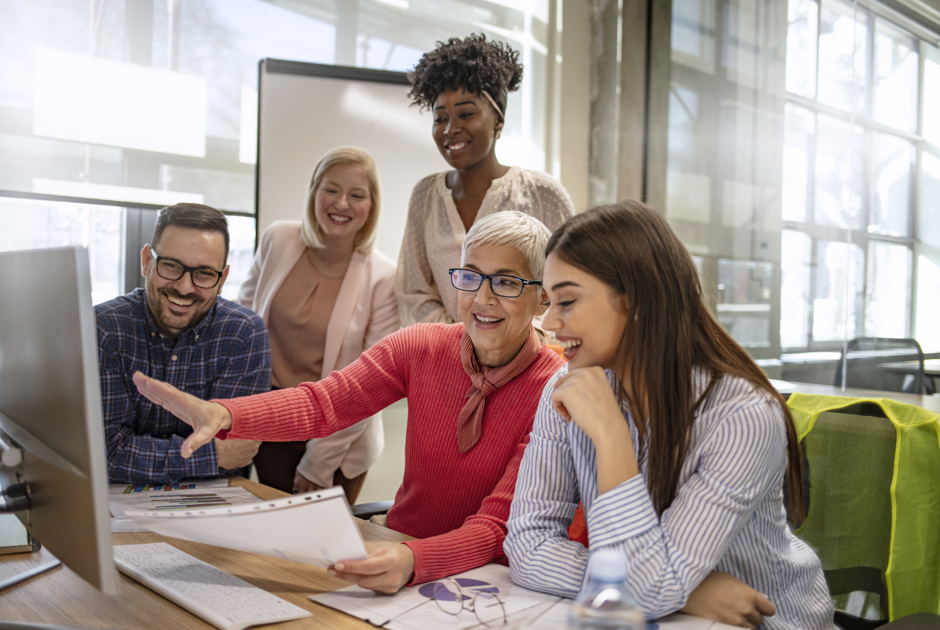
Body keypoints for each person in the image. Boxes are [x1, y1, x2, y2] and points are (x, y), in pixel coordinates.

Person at [133, 211, 564, 593]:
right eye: (470, 276)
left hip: (488, 580)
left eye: (506, 282)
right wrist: (226, 413)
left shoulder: (554, 390)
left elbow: (494, 529)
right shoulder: (421, 346)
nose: (483, 298)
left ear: (543, 297)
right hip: (397, 551)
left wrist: (416, 561)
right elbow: (323, 404)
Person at [504, 202, 834, 629]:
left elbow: (646, 590)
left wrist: (610, 434)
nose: (548, 322)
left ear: (637, 301)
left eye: (566, 300)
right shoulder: (566, 389)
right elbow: (527, 548)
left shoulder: (742, 416)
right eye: (548, 302)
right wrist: (685, 591)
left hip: (763, 622)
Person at [238, 147, 399, 501]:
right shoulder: (277, 239)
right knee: (270, 544)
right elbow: (241, 327)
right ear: (314, 191)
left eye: (356, 195)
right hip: (273, 422)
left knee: (323, 551)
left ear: (371, 206)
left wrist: (319, 462)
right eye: (331, 189)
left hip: (341, 437)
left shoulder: (384, 278)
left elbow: (371, 383)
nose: (342, 204)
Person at [396, 33, 576, 326]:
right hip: (447, 359)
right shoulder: (426, 195)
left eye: (465, 113)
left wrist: (509, 346)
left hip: (530, 362)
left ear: (498, 120)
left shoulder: (542, 193)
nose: (450, 129)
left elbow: (568, 287)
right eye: (440, 118)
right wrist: (465, 343)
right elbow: (413, 292)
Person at [96, 203, 270, 484]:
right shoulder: (104, 329)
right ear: (146, 261)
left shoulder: (244, 334)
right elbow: (105, 453)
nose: (184, 287)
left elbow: (238, 453)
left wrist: (141, 455)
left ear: (222, 279)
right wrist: (212, 455)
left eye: (203, 273)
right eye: (171, 266)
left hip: (210, 507)